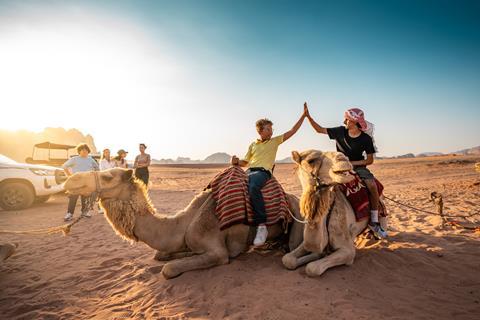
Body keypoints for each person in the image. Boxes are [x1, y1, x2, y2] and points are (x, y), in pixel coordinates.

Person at [304, 102, 387, 239]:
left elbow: (369, 160)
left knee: (372, 186)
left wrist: (352, 163)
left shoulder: (365, 138)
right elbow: (319, 130)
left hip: (359, 167)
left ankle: (374, 222)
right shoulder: (340, 131)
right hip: (338, 166)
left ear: (355, 122)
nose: (345, 121)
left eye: (347, 119)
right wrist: (308, 117)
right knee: (321, 184)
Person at [231, 106, 307, 246]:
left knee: (253, 187)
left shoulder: (275, 141)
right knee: (230, 182)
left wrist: (303, 116)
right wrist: (236, 162)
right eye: (268, 129)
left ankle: (261, 225)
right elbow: (245, 162)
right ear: (260, 131)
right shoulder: (253, 144)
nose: (271, 131)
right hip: (250, 170)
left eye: (272, 129)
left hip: (263, 172)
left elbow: (292, 131)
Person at [62, 143, 99, 221]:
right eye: (82, 150)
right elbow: (64, 166)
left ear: (88, 151)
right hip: (76, 180)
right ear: (79, 151)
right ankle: (70, 214)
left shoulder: (91, 159)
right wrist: (70, 176)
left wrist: (92, 176)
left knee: (85, 197)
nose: (84, 151)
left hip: (87, 181)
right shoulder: (74, 159)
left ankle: (84, 212)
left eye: (86, 150)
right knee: (73, 197)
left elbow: (97, 168)